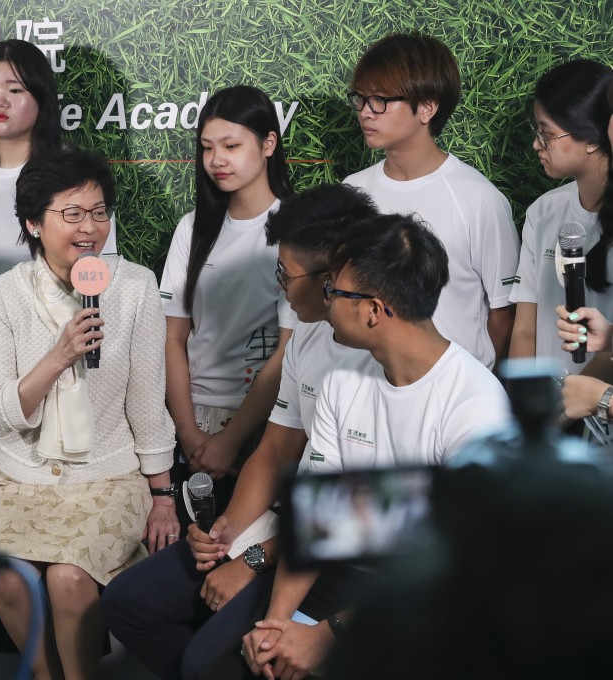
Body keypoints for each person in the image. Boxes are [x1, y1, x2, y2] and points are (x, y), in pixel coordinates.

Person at [102, 184, 378, 680]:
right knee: (128, 602)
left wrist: (252, 559)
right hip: (287, 526)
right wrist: (224, 532)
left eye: (285, 274)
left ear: (331, 277)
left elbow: (355, 509)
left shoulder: (385, 363)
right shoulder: (309, 337)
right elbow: (274, 450)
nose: (281, 288)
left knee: (208, 661)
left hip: (338, 553)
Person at [243, 214, 513, 680]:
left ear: (372, 311)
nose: (325, 299)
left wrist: (327, 636)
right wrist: (276, 629)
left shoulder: (477, 407)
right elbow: (318, 523)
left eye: (334, 290)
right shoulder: (341, 380)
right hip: (349, 579)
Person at [0, 148, 176, 680]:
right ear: (33, 223)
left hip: (107, 475)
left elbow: (146, 399)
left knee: (69, 578)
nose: (90, 228)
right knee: (9, 577)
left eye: (99, 212)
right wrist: (58, 356)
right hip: (22, 475)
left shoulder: (133, 286)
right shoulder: (4, 295)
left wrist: (163, 496)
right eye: (72, 213)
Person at [0, 39, 116, 521]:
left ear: (41, 97)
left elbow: (98, 284)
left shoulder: (74, 178)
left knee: (65, 523)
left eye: (15, 89)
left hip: (66, 374)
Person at [343, 31, 519, 370]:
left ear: (427, 107)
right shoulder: (353, 191)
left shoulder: (478, 198)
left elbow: (503, 313)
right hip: (369, 385)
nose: (365, 112)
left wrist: (470, 380)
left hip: (455, 390)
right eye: (360, 98)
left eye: (379, 100)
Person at [158, 85, 296, 514]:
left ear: (269, 143)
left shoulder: (295, 228)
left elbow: (289, 350)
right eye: (207, 147)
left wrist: (231, 440)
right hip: (191, 422)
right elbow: (172, 337)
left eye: (231, 146)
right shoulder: (193, 227)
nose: (217, 159)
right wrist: (189, 434)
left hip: (268, 425)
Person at [510, 60, 613, 375]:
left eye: (546, 134)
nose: (536, 145)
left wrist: (574, 399)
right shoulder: (543, 211)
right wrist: (526, 397)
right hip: (545, 400)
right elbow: (524, 330)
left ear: (593, 138)